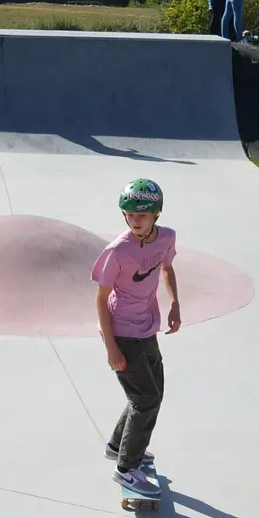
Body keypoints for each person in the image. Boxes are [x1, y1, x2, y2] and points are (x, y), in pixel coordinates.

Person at [91, 179, 182, 498]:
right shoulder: (117, 250)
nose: (135, 220)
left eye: (142, 215)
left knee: (151, 394)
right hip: (122, 331)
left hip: (147, 325)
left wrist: (175, 304)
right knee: (145, 399)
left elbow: (167, 268)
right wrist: (110, 346)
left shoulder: (167, 237)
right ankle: (127, 469)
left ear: (157, 213)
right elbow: (100, 299)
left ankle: (119, 446)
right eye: (129, 215)